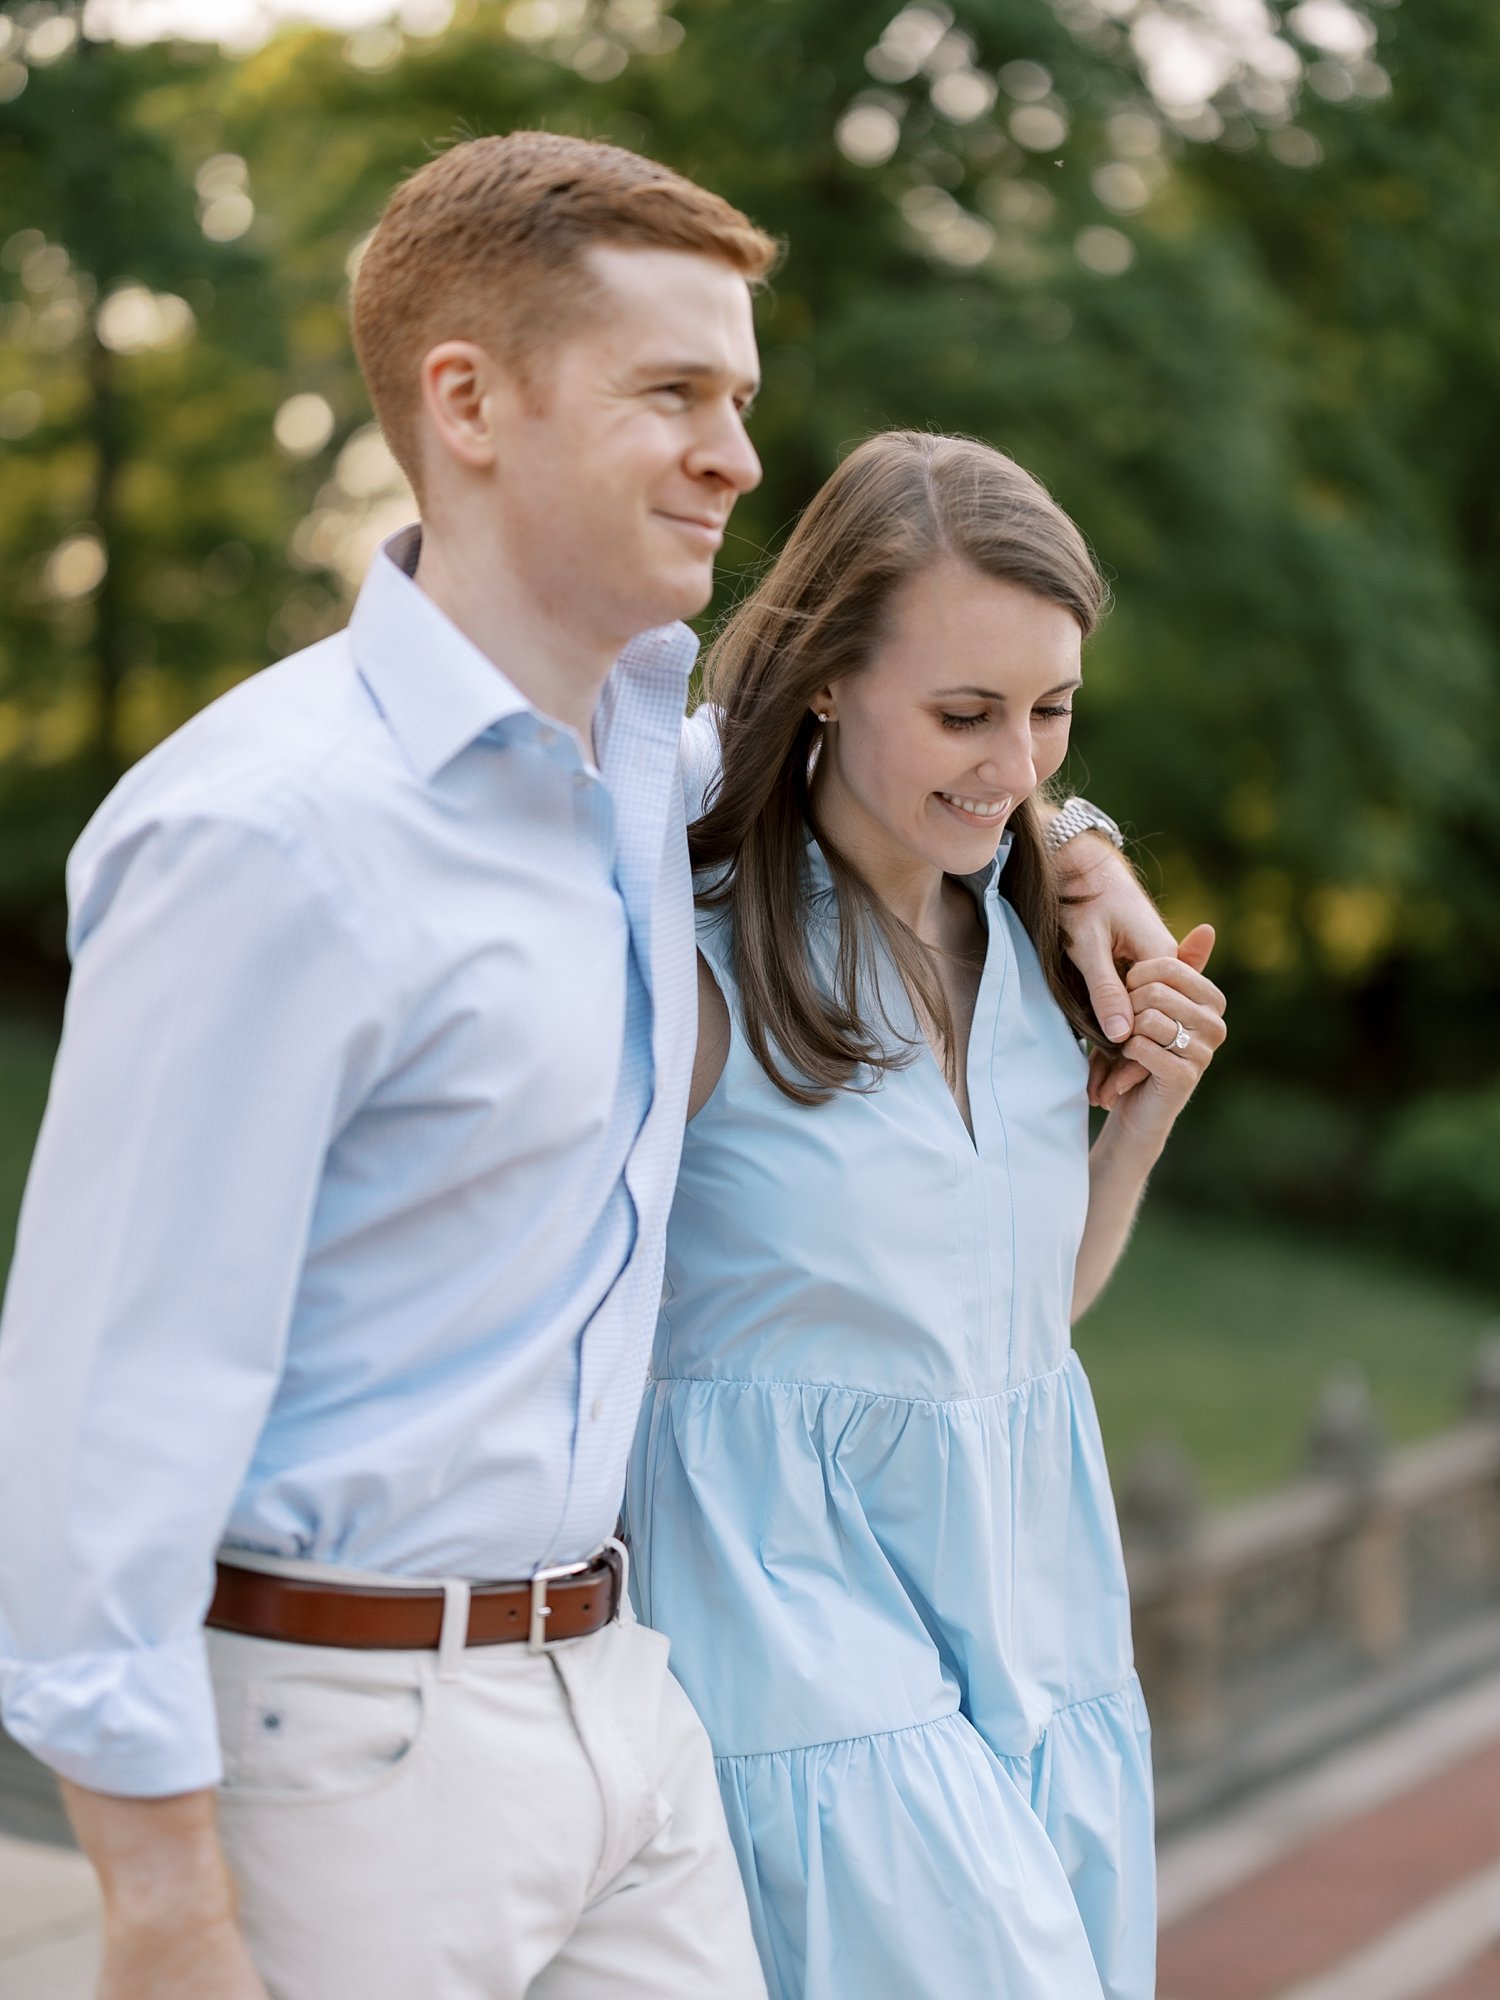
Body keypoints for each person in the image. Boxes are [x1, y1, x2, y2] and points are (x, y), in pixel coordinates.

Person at [0, 135, 1173, 2000]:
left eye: (742, 399)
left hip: (622, 1698)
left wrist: (1081, 849)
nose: (737, 454)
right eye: (676, 395)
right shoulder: (270, 835)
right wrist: (159, 1902)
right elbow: (97, 1401)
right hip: (347, 1731)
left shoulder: (644, 757)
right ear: (465, 403)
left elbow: (908, 775)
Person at [625, 431, 1228, 2000]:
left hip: (1034, 1592)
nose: (1017, 767)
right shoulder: (689, 948)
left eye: (1053, 713)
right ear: (824, 676)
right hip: (786, 1607)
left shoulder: (1032, 933)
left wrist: (1144, 1116)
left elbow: (1024, 1323)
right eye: (965, 713)